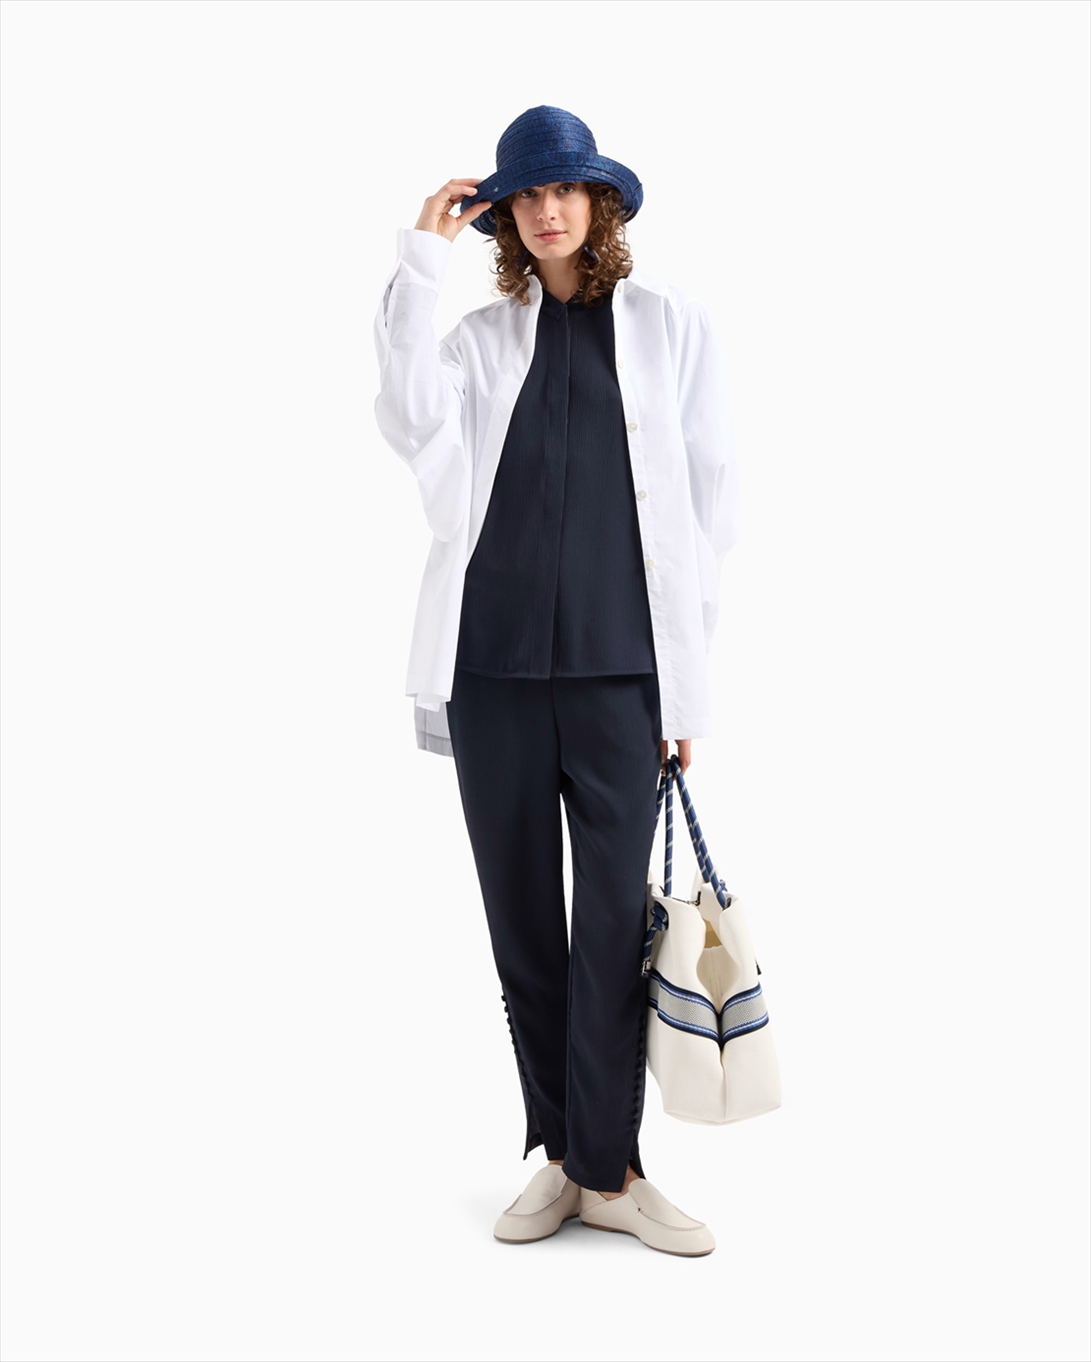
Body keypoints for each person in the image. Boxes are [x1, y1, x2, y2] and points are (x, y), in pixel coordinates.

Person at [373, 106, 739, 1256]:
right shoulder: (480, 341)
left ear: (599, 203)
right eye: (524, 194)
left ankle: (610, 1169)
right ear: (502, 217)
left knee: (611, 929)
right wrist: (419, 261)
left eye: (563, 189)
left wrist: (685, 691)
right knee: (523, 925)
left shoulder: (670, 327)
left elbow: (708, 508)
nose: (544, 210)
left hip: (621, 675)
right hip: (490, 674)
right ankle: (558, 1154)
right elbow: (408, 420)